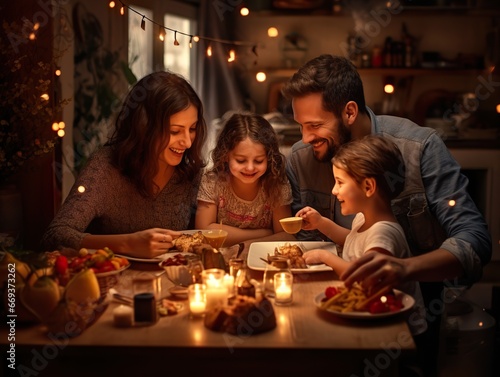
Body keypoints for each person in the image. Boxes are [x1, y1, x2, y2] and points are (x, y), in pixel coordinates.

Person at [282, 54, 491, 376]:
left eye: (314, 125)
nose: (305, 138)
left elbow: (474, 240)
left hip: (406, 308)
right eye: (300, 125)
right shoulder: (301, 159)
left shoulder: (418, 148)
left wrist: (404, 268)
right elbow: (312, 245)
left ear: (349, 111)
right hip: (326, 304)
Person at [41, 71, 207, 259]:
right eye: (175, 131)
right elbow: (56, 236)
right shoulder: (106, 167)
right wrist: (127, 243)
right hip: (109, 282)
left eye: (192, 129)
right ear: (145, 128)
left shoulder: (191, 174)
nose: (187, 142)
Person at [298, 135, 427, 336]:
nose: (334, 190)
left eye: (340, 182)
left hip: (396, 332)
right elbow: (352, 240)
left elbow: (366, 278)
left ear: (368, 187)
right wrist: (321, 223)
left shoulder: (383, 234)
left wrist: (326, 258)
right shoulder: (364, 218)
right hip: (373, 318)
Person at [195, 112, 295, 247]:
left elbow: (286, 235)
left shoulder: (276, 183)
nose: (250, 167)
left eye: (259, 161)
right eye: (241, 160)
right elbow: (203, 231)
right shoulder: (213, 181)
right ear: (225, 155)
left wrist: (246, 245)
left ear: (269, 158)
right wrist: (264, 234)